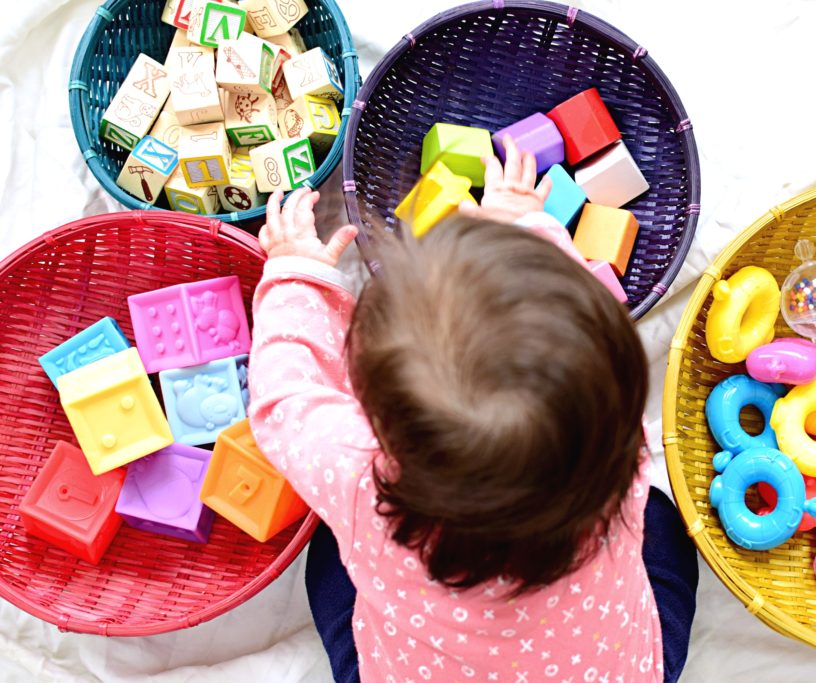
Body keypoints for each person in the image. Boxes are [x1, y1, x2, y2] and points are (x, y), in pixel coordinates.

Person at [248, 138, 697, 682]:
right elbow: (571, 316)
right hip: (620, 669)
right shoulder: (621, 452)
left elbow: (282, 401)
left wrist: (294, 274)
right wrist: (529, 225)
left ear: (378, 418)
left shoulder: (355, 481)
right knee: (662, 525)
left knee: (326, 558)